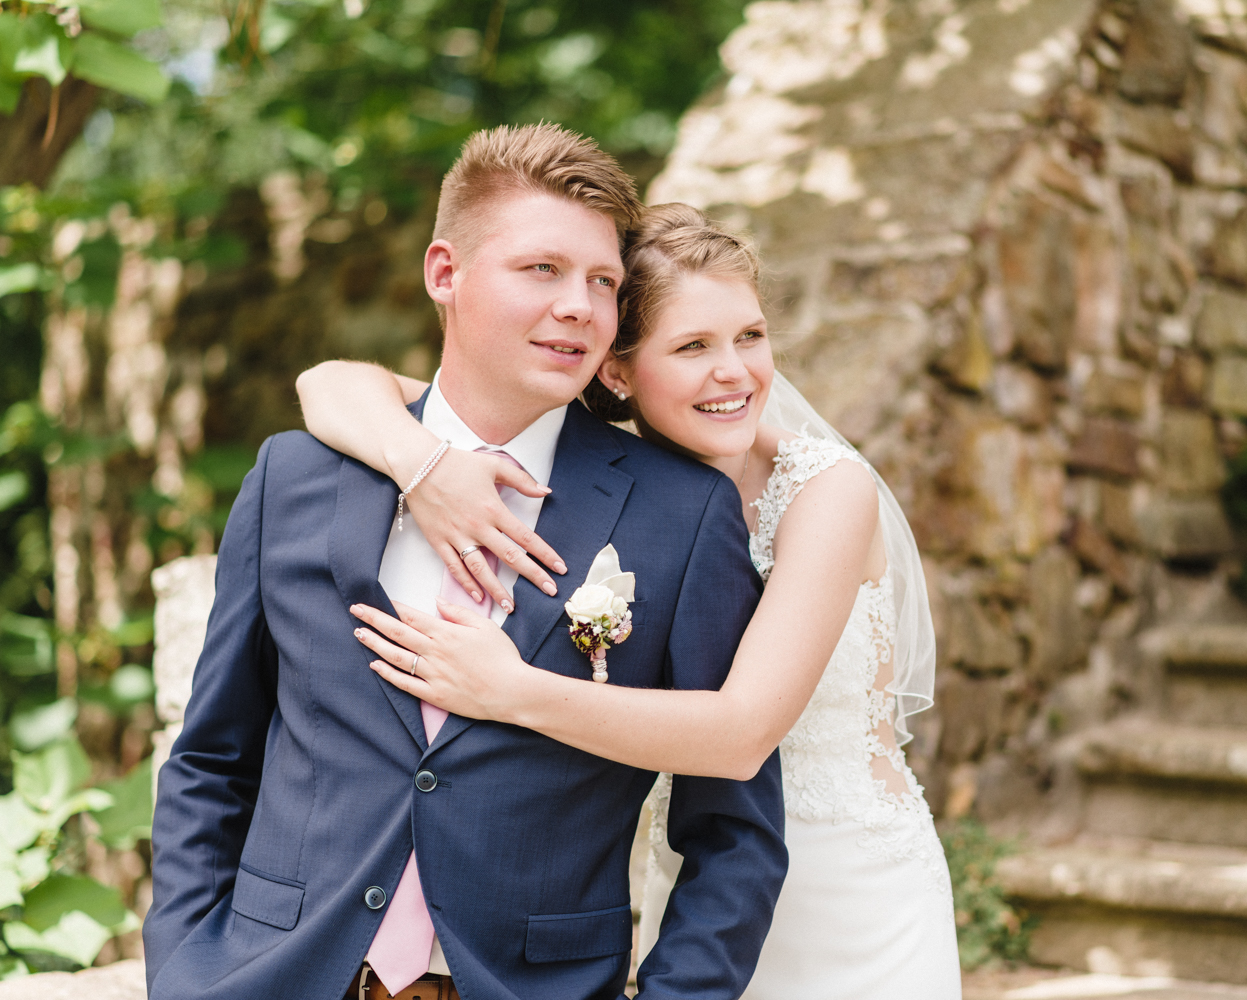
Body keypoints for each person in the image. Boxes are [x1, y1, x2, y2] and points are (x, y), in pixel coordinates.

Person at [144, 125, 788, 1000]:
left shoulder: (683, 512)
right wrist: (184, 971)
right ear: (444, 273)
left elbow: (736, 831)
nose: (580, 306)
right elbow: (213, 762)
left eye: (603, 281)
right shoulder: (294, 479)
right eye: (542, 270)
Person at [296, 203, 962, 999]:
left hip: (851, 893)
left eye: (750, 336)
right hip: (697, 888)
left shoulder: (826, 491)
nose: (736, 372)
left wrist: (510, 691)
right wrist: (422, 465)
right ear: (615, 370)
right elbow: (329, 383)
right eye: (693, 347)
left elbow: (742, 735)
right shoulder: (612, 485)